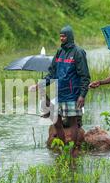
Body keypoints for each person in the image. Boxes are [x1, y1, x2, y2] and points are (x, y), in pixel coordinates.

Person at [30, 25, 90, 155]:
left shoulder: (78, 52)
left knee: (73, 122)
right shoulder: (59, 52)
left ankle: (72, 150)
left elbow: (85, 76)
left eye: (63, 36)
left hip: (73, 94)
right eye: (60, 36)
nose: (61, 38)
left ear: (70, 37)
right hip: (59, 93)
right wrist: (39, 85)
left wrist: (82, 95)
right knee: (56, 121)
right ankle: (64, 148)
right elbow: (52, 73)